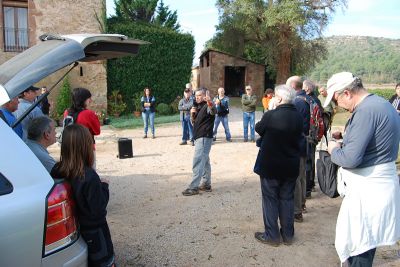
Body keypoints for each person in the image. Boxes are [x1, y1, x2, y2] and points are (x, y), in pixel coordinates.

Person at [325, 72, 400, 266]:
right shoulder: (382, 105)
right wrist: (346, 139)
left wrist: (334, 148)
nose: (338, 105)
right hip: (378, 186)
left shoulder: (365, 111)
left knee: (360, 247)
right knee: (366, 243)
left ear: (347, 93)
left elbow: (350, 159)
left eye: (336, 99)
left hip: (368, 191)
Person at [51, 124, 115, 267]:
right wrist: (104, 186)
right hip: (95, 232)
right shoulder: (89, 176)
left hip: (75, 230)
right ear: (85, 146)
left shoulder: (57, 170)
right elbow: (98, 209)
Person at [253, 84, 304, 247]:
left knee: (270, 200)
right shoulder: (298, 116)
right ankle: (288, 235)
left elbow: (259, 129)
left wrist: (270, 111)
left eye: (274, 96)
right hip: (290, 165)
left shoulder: (271, 115)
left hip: (271, 166)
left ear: (280, 99)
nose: (272, 98)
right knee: (287, 199)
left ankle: (272, 235)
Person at [182, 88, 216, 196]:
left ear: (205, 95)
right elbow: (195, 124)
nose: (197, 97)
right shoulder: (198, 107)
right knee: (205, 161)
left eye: (200, 95)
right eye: (196, 95)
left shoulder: (207, 105)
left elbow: (214, 111)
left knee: (198, 161)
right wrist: (193, 115)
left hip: (204, 137)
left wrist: (210, 101)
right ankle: (206, 184)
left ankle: (193, 187)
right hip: (200, 137)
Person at [286, 76, 310, 223]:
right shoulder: (308, 99)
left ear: (293, 87)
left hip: (295, 143)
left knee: (295, 178)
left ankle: (297, 211)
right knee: (301, 177)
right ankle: (301, 204)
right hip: (304, 141)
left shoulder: (296, 102)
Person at [65, 88, 100, 168]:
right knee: (89, 170)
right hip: (86, 146)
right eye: (89, 98)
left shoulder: (67, 112)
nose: (90, 100)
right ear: (83, 100)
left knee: (74, 169)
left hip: (71, 145)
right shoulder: (88, 113)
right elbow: (97, 131)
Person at [302, 79, 322, 198]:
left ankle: (308, 189)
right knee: (311, 160)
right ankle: (311, 185)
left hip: (309, 135)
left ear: (308, 89)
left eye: (303, 87)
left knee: (308, 162)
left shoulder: (309, 100)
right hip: (313, 136)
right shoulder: (316, 100)